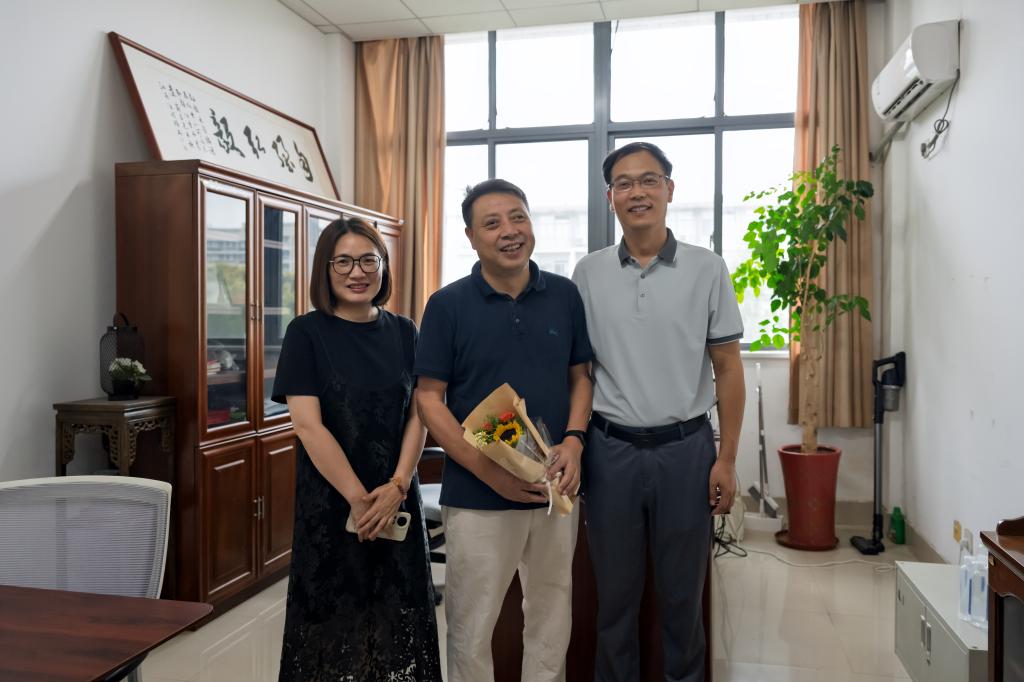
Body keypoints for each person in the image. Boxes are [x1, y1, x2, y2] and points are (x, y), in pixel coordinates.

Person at [572, 141, 746, 682]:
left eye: (649, 180)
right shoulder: (588, 272)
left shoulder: (707, 268)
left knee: (683, 599)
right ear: (610, 198)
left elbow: (728, 368)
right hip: (610, 453)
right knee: (613, 601)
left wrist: (726, 459)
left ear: (669, 189)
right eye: (624, 183)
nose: (637, 192)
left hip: (685, 451)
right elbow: (579, 371)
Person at [414, 179, 594, 682]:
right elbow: (428, 398)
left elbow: (581, 377)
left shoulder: (564, 295)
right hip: (477, 493)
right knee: (472, 623)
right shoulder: (447, 305)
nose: (509, 231)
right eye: (492, 223)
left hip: (554, 484)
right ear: (471, 237)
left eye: (518, 217)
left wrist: (575, 441)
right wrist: (487, 472)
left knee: (552, 609)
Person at [271, 216, 442, 681]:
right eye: (343, 262)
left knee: (397, 620)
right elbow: (308, 427)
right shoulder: (306, 333)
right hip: (332, 502)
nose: (357, 272)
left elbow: (419, 415)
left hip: (396, 497)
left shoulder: (405, 331)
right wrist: (359, 500)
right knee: (331, 625)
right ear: (325, 270)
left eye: (369, 260)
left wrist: (397, 487)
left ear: (384, 266)